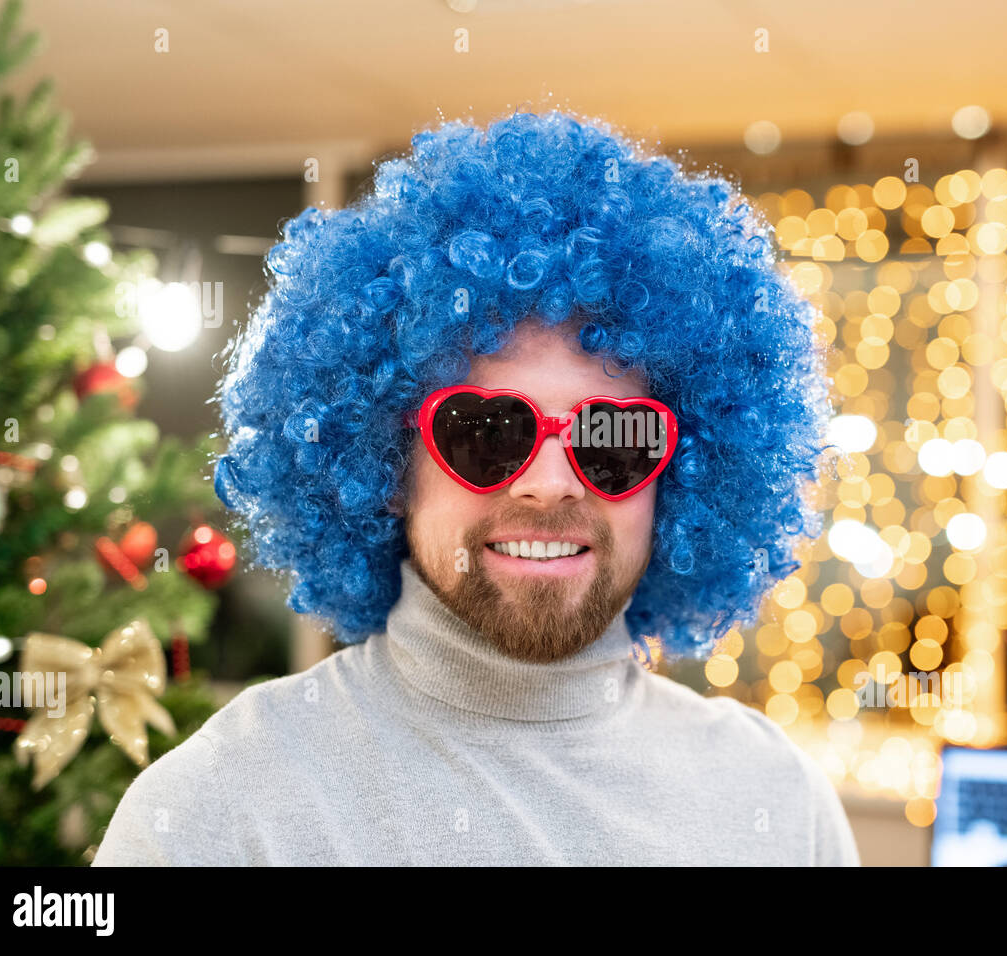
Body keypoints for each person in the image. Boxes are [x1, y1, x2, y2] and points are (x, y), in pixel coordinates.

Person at [93, 109, 859, 866]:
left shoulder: (778, 805)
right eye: (487, 431)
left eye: (613, 439)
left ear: (682, 470)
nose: (550, 484)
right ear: (388, 465)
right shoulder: (219, 816)